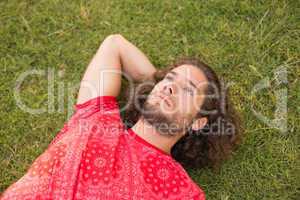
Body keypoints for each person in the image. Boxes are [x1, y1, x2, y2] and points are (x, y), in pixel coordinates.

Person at [1, 34, 242, 199]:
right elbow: (114, 44)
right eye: (170, 80)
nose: (171, 87)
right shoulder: (97, 115)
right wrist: (156, 83)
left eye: (188, 89)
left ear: (199, 122)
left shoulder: (182, 192)